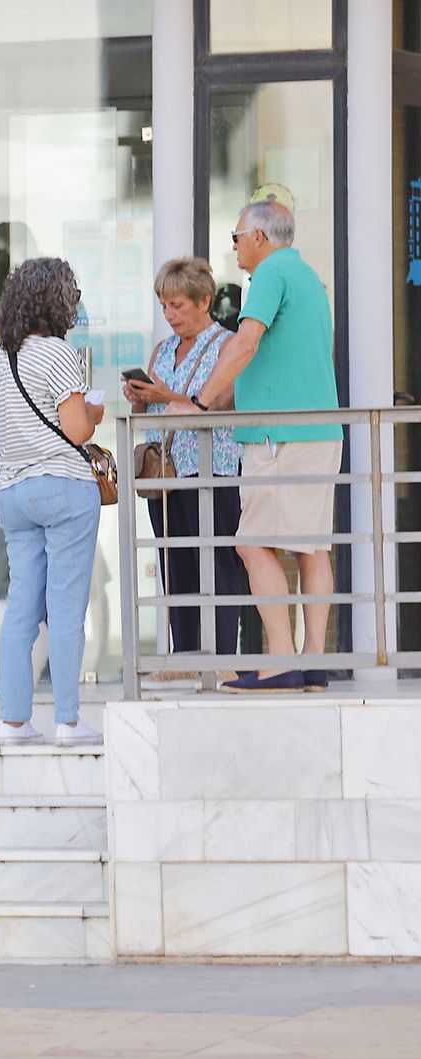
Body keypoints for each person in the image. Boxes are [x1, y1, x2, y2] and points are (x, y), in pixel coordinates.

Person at [166, 200, 341, 694]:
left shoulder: (268, 275)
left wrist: (200, 404)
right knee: (312, 548)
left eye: (237, 237)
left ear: (259, 237)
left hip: (279, 435)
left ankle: (280, 662)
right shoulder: (307, 277)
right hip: (319, 430)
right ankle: (313, 662)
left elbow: (245, 344)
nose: (235, 247)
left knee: (250, 543)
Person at [0, 258, 104, 746]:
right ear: (59, 302)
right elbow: (78, 429)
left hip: (13, 491)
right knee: (66, 609)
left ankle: (13, 722)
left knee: (22, 609)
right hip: (63, 487)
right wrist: (94, 409)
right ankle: (68, 721)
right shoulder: (58, 353)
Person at [123, 258, 245, 686]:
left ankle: (224, 656)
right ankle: (185, 654)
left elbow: (221, 401)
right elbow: (155, 411)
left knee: (219, 563)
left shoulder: (227, 345)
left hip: (214, 469)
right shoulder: (162, 350)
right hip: (168, 473)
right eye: (164, 306)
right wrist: (141, 398)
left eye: (177, 305)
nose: (170, 314)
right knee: (175, 565)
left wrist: (166, 393)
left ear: (204, 301)